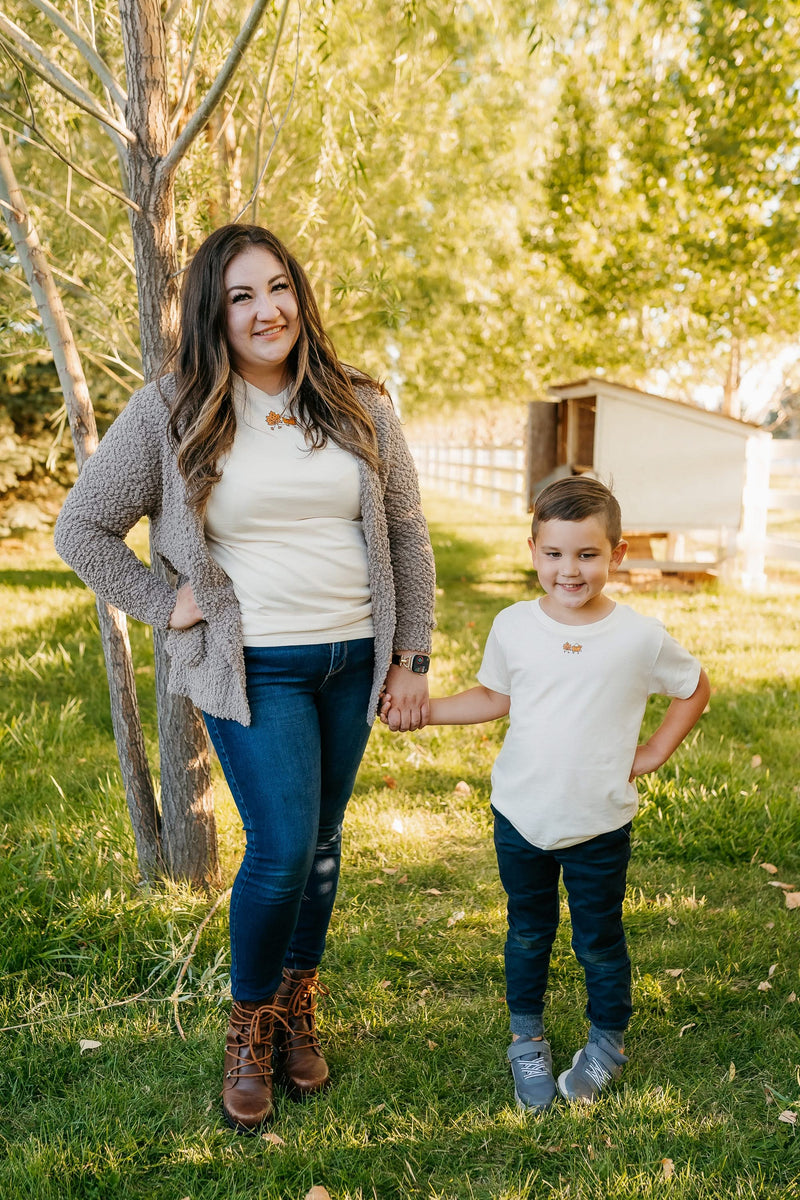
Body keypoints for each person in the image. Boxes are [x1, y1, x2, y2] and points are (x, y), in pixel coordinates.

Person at [54, 223, 436, 1132]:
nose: (267, 311)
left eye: (278, 288)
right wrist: (164, 602)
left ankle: (298, 1008)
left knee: (325, 842)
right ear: (211, 315)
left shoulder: (358, 403)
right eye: (240, 297)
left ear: (298, 294)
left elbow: (407, 537)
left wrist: (412, 657)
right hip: (253, 666)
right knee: (280, 849)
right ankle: (248, 1025)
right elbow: (81, 528)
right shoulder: (173, 410)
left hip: (353, 659)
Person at [381, 476, 709, 1109]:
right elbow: (496, 697)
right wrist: (423, 711)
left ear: (616, 555)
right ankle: (525, 1037)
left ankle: (608, 1039)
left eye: (587, 554)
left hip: (598, 824)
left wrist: (654, 752)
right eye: (554, 554)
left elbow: (693, 687)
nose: (570, 570)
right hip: (521, 818)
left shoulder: (640, 637)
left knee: (598, 938)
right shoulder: (513, 626)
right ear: (533, 550)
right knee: (528, 931)